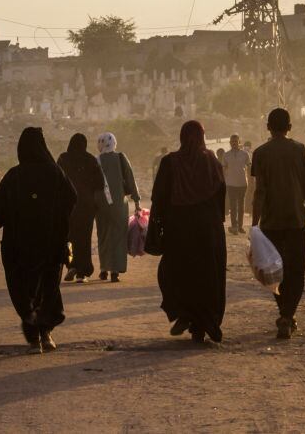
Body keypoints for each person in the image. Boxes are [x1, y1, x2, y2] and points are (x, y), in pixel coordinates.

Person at [251, 108, 305, 340]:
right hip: (297, 221)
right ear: (290, 127)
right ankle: (287, 316)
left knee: (275, 271)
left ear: (268, 127)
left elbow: (259, 192)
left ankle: (285, 315)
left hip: (270, 224)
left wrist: (254, 226)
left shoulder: (260, 153)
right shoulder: (300, 150)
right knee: (296, 272)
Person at [0, 127, 76, 353]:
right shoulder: (55, 173)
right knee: (48, 288)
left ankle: (33, 337)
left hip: (19, 247)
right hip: (50, 243)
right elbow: (72, 198)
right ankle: (46, 334)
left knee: (24, 289)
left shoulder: (14, 176)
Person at [152, 120, 227, 344]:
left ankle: (185, 314)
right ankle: (203, 322)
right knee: (208, 276)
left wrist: (160, 226)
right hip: (208, 229)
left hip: (179, 229)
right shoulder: (211, 161)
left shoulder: (169, 162)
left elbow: (159, 198)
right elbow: (220, 194)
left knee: (177, 272)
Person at [58, 133, 106, 283]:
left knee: (70, 236)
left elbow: (56, 179)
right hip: (86, 205)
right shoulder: (91, 160)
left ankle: (71, 264)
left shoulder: (63, 159)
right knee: (84, 238)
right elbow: (100, 183)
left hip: (68, 206)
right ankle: (82, 272)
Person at [96, 132, 140, 283]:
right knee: (118, 236)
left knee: (103, 235)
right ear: (114, 143)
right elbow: (130, 179)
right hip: (119, 204)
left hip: (101, 204)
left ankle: (103, 269)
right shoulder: (121, 158)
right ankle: (115, 271)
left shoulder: (97, 160)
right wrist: (137, 201)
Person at [222, 134, 250, 234]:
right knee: (233, 206)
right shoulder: (226, 155)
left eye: (236, 141)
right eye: (232, 141)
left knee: (241, 206)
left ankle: (240, 226)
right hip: (230, 183)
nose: (234, 143)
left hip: (242, 183)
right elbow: (224, 168)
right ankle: (234, 226)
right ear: (230, 143)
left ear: (239, 142)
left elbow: (249, 167)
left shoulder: (245, 154)